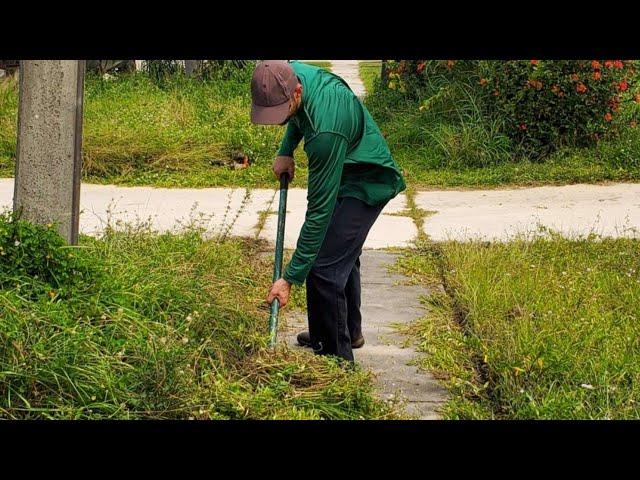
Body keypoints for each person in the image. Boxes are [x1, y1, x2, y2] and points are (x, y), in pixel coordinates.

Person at [250, 60, 405, 362]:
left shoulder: (325, 132)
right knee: (343, 253)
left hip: (367, 180)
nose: (280, 119)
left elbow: (318, 214)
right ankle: (342, 329)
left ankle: (336, 360)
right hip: (347, 163)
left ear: (296, 91)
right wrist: (285, 150)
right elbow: (295, 115)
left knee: (324, 268)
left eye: (282, 111)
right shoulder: (291, 72)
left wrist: (289, 278)